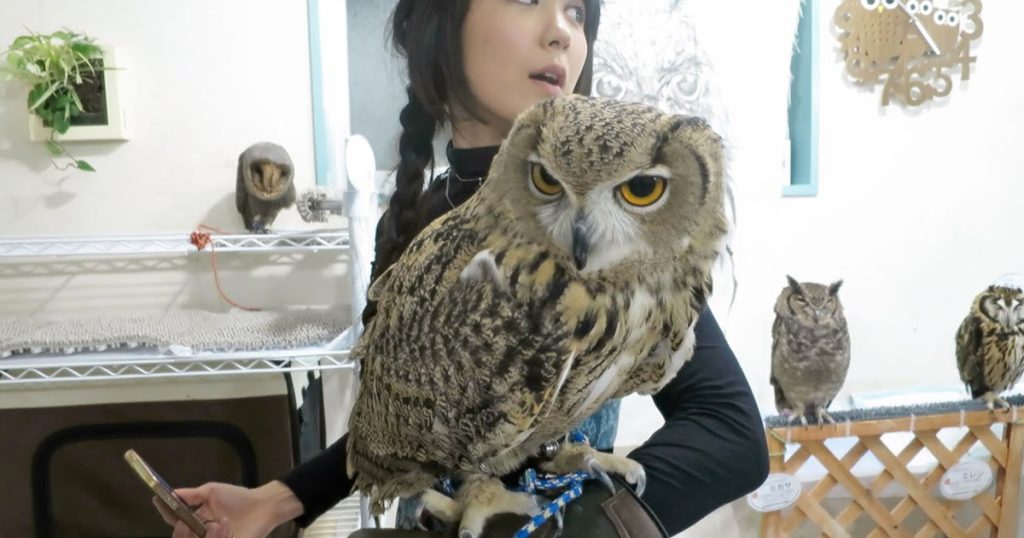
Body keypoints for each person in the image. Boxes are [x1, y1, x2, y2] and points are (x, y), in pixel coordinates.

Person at [160, 2, 768, 537]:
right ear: (441, 22)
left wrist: (579, 522)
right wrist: (279, 499)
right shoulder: (422, 213)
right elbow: (419, 422)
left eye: (577, 11)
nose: (562, 32)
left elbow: (730, 434)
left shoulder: (618, 231)